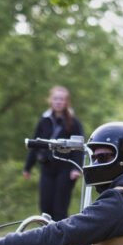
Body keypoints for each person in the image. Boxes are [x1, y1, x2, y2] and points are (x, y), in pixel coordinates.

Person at [23, 86, 85, 221]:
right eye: (56, 99)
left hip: (65, 168)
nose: (58, 102)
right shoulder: (44, 120)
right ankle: (46, 237)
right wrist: (28, 167)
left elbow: (78, 147)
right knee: (45, 206)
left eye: (61, 99)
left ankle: (61, 239)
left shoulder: (73, 122)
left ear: (66, 102)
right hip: (47, 167)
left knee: (60, 207)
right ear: (50, 100)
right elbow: (35, 144)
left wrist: (76, 168)